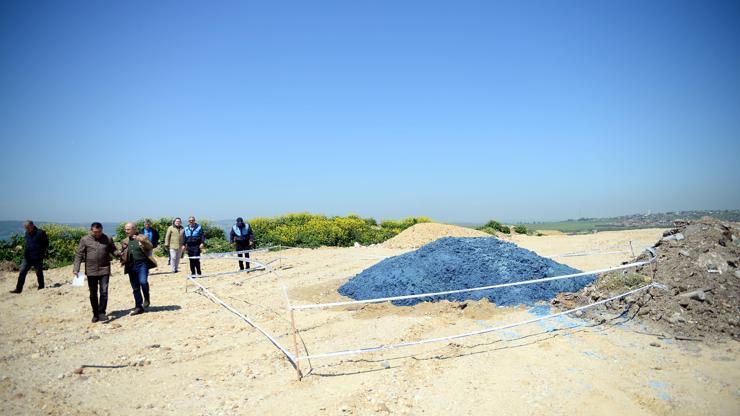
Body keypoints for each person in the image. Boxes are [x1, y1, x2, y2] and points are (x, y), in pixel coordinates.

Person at [73, 222, 120, 323]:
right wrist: (76, 268)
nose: (97, 234)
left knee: (104, 292)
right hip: (91, 270)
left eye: (99, 232)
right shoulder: (84, 239)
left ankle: (102, 312)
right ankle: (95, 313)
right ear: (91, 230)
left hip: (105, 269)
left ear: (102, 230)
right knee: (93, 294)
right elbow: (79, 255)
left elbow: (113, 250)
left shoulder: (108, 238)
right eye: (95, 232)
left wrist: (119, 254)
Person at [121, 222, 155, 315]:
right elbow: (123, 253)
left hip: (142, 264)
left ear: (134, 229)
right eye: (125, 229)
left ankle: (147, 297)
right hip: (130, 266)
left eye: (128, 229)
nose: (126, 231)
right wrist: (122, 253)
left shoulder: (142, 237)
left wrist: (140, 239)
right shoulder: (125, 240)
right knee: (135, 288)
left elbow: (150, 246)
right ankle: (138, 307)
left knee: (143, 282)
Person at [10, 220, 49, 294]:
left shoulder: (40, 232)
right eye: (25, 228)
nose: (26, 229)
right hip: (27, 257)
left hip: (38, 257)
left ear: (32, 225)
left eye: (27, 228)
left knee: (39, 272)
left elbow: (46, 244)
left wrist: (44, 253)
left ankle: (41, 287)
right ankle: (18, 289)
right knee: (22, 272)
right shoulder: (27, 233)